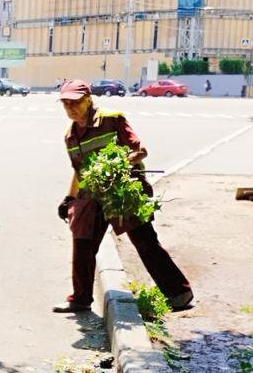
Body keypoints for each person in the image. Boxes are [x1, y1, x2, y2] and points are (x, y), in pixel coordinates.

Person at [54, 80, 192, 314]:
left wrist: (116, 164)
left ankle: (179, 293)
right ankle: (80, 299)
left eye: (75, 102)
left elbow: (140, 151)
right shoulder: (70, 136)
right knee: (82, 242)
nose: (70, 108)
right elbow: (79, 172)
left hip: (122, 191)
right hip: (94, 195)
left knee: (144, 240)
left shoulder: (112, 119)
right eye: (65, 104)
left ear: (88, 99)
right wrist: (69, 198)